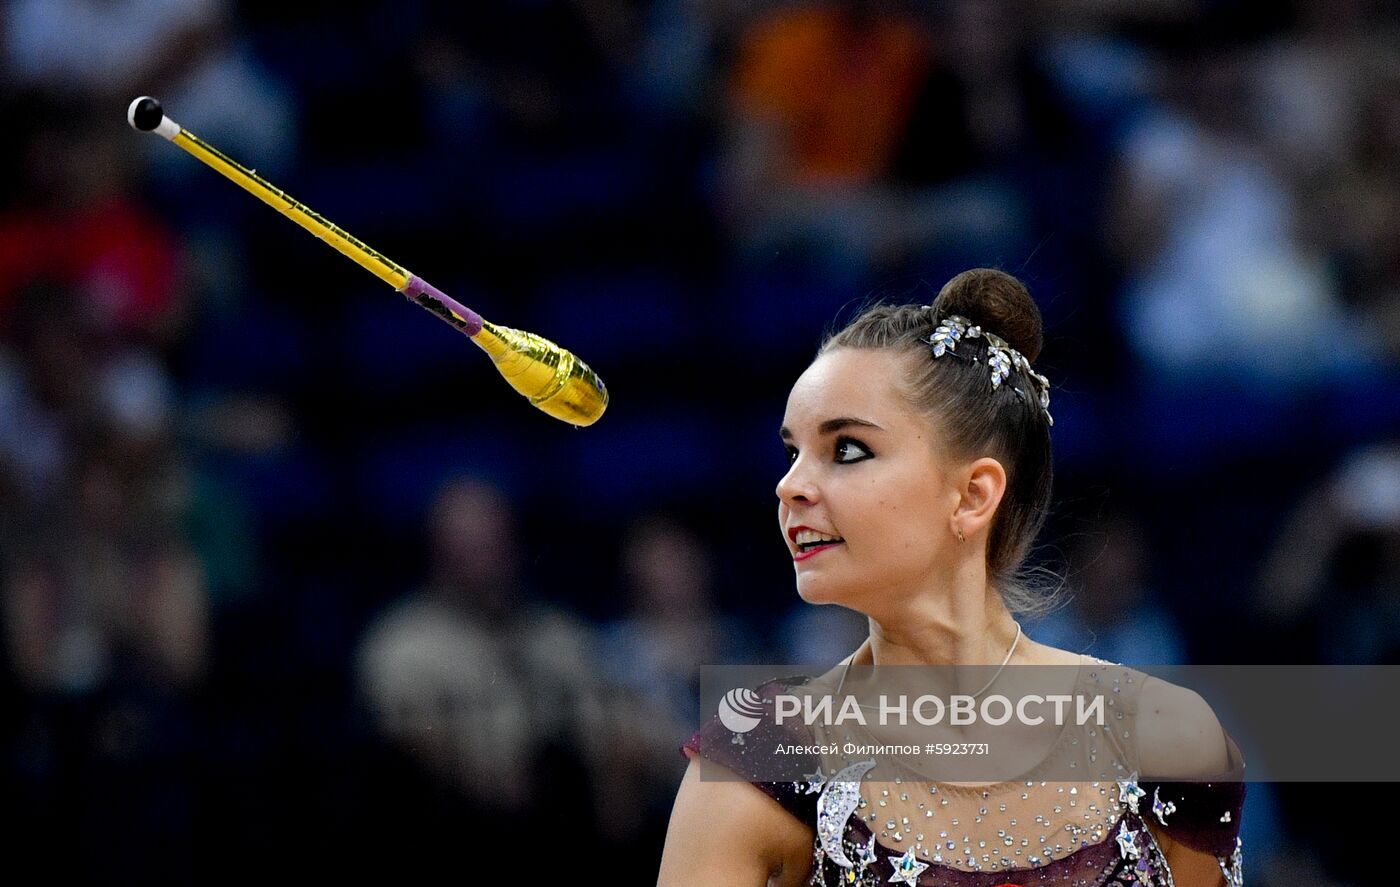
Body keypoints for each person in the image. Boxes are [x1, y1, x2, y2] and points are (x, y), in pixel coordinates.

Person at [656, 269, 1245, 886]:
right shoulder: (760, 757)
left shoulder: (1165, 738)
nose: (790, 486)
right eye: (791, 454)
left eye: (847, 450)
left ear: (971, 494)